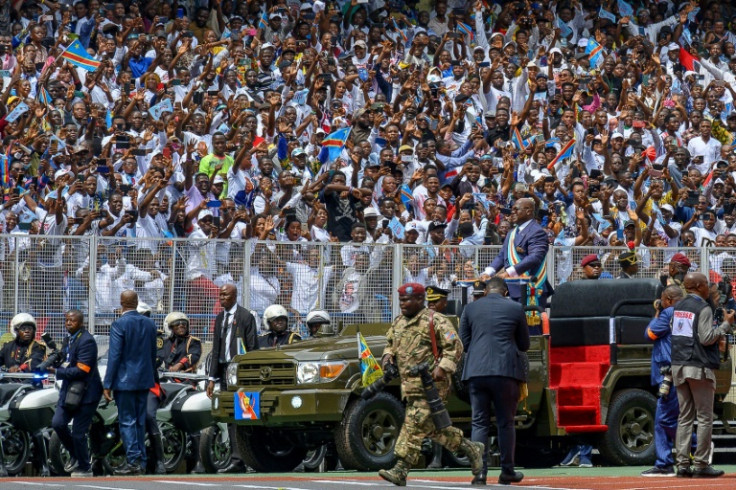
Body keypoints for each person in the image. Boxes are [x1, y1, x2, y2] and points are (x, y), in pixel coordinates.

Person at [378, 283, 483, 486]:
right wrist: (387, 359)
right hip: (409, 387)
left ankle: (401, 469)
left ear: (419, 300)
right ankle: (471, 449)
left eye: (407, 300)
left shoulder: (435, 320)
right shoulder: (399, 322)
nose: (403, 304)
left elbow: (455, 346)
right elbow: (389, 344)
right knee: (435, 430)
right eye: (401, 301)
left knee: (414, 423)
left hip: (432, 386)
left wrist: (443, 367)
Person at [459, 277, 529, 485]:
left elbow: (465, 343)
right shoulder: (516, 308)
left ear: (487, 291)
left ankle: (479, 473)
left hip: (476, 371)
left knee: (478, 422)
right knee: (505, 423)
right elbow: (524, 344)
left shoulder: (470, 309)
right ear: (505, 292)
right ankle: (507, 471)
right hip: (505, 371)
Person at [671, 273, 733, 478]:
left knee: (685, 417)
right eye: (706, 284)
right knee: (705, 417)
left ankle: (682, 465)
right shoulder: (703, 308)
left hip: (678, 366)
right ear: (698, 286)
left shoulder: (678, 306)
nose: (709, 287)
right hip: (698, 368)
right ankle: (701, 464)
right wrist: (725, 325)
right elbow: (706, 338)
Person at [103, 290, 157, 476]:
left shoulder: (119, 324)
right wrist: (153, 377)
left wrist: (107, 383)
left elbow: (115, 355)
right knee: (140, 421)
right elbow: (152, 354)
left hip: (125, 381)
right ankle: (140, 460)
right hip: (144, 379)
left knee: (127, 421)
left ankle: (133, 460)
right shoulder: (149, 324)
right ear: (136, 302)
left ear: (121, 303)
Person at [206, 283, 259, 474]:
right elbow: (216, 348)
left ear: (235, 296)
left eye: (225, 295)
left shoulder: (246, 317)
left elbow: (253, 347)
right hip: (225, 373)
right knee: (230, 416)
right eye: (220, 295)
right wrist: (212, 378)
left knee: (245, 416)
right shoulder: (220, 317)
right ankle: (237, 461)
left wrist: (250, 374)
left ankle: (251, 459)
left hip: (242, 373)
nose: (221, 299)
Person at [484, 199, 552, 334]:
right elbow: (501, 256)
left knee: (530, 332)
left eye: (516, 209)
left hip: (530, 289)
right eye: (512, 209)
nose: (512, 212)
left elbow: (535, 257)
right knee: (513, 330)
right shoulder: (512, 232)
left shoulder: (537, 232)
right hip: (511, 288)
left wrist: (509, 272)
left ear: (528, 211)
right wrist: (488, 272)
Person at [49, 310, 103, 478]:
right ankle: (75, 454)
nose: (68, 323)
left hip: (87, 393)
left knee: (79, 433)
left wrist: (57, 372)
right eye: (66, 320)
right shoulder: (69, 339)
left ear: (81, 323)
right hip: (69, 391)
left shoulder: (87, 341)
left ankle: (85, 467)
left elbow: (83, 369)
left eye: (72, 321)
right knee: (57, 423)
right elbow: (67, 360)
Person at [642, 286, 685, 477]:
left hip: (668, 373)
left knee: (663, 419)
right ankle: (693, 448)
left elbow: (649, 334)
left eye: (662, 299)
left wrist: (658, 311)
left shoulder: (668, 312)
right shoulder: (687, 312)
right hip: (683, 369)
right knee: (677, 417)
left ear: (668, 299)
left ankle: (667, 462)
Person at [0, 313, 47, 477]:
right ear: (15, 330)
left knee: (34, 428)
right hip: (8, 391)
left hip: (30, 391)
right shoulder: (7, 347)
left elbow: (35, 362)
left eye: (30, 328)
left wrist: (19, 368)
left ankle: (44, 466)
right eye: (23, 328)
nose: (27, 331)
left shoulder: (38, 346)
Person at [160, 311, 204, 473]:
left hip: (185, 384)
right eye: (177, 324)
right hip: (166, 384)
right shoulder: (164, 343)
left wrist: (179, 365)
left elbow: (193, 356)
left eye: (184, 324)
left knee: (192, 421)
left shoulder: (193, 341)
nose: (181, 326)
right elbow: (158, 358)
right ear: (169, 327)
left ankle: (199, 461)